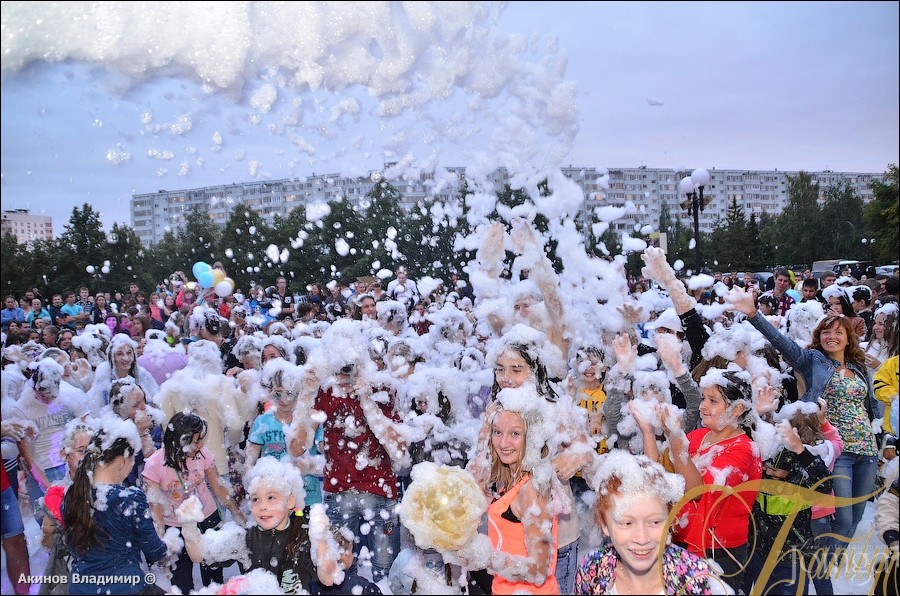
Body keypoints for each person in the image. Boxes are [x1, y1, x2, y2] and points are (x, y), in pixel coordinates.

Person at [728, 285, 879, 545]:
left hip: (867, 449)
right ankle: (824, 572)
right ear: (819, 336)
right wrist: (754, 315)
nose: (832, 336)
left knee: (856, 515)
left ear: (848, 337)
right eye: (826, 332)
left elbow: (870, 404)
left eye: (838, 332)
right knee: (841, 518)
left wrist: (881, 435)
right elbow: (781, 342)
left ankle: (829, 566)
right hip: (836, 449)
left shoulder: (858, 366)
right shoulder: (812, 361)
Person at [658, 367, 763, 594]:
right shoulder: (696, 437)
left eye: (712, 400)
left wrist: (675, 438)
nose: (703, 406)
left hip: (720, 552)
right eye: (704, 398)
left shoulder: (744, 450)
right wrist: (648, 431)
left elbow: (697, 492)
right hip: (681, 541)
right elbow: (660, 474)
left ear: (737, 409)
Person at [179, 456, 339, 594]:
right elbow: (198, 555)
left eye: (271, 497)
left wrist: (321, 539)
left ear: (290, 501)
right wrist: (189, 525)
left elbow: (328, 579)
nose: (262, 506)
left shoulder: (304, 536)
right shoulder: (244, 538)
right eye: (256, 499)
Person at [574, 451, 720, 595]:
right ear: (604, 524)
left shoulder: (696, 579)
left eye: (655, 522)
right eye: (627, 523)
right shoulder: (593, 568)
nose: (642, 539)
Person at [142, 412, 246, 594]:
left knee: (213, 570)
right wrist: (161, 538)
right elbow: (155, 506)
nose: (201, 445)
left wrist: (236, 511)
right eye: (196, 441)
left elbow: (218, 486)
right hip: (175, 525)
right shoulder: (155, 464)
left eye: (201, 440)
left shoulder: (202, 454)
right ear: (180, 440)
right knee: (181, 579)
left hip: (207, 517)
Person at [61, 421, 168, 596]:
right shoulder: (130, 499)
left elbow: (74, 546)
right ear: (121, 461)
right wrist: (165, 539)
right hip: (125, 587)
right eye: (132, 461)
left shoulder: (71, 495)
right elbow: (155, 552)